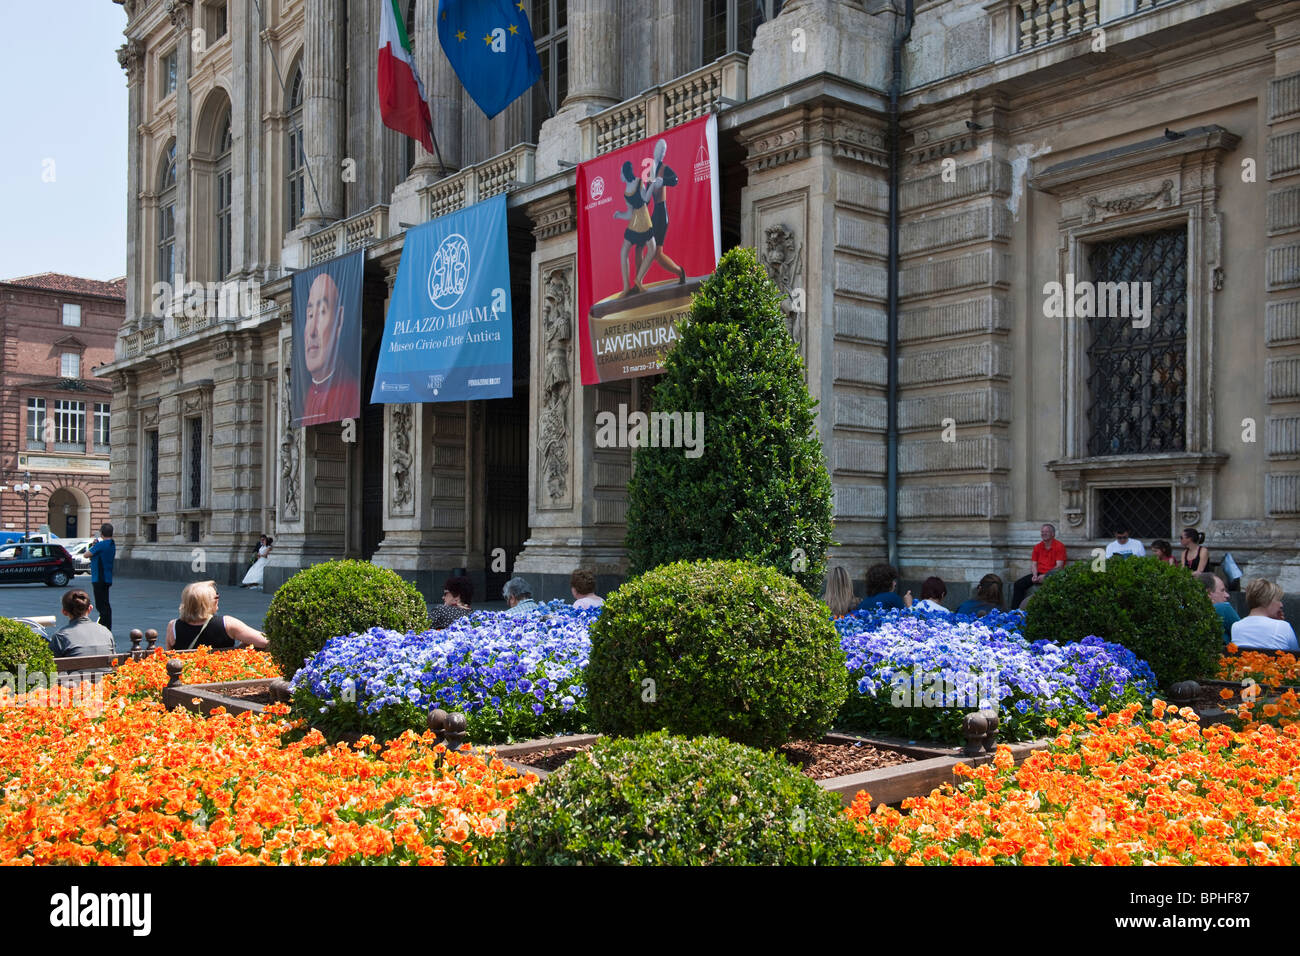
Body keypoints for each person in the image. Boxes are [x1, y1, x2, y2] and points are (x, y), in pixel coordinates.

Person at [300, 271, 359, 426]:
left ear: (339, 320)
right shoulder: (303, 395)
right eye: (310, 315)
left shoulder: (351, 390)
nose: (312, 331)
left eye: (322, 312)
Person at [165, 580, 268, 650]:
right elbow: (265, 642)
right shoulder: (227, 624)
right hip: (221, 680)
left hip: (187, 680)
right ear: (207, 603)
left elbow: (168, 658)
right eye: (216, 597)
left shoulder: (173, 626)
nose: (218, 599)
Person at [613, 160, 657, 296]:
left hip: (638, 221)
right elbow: (643, 200)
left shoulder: (630, 189)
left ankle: (629, 285)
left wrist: (652, 184)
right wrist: (619, 214)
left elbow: (633, 210)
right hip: (642, 219)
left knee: (625, 251)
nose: (620, 175)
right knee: (652, 249)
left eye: (621, 172)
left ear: (625, 173)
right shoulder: (633, 186)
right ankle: (636, 281)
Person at [647, 138, 686, 284]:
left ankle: (680, 272)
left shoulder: (664, 168)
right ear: (655, 150)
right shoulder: (651, 170)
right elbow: (646, 196)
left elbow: (675, 180)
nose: (662, 153)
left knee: (657, 253)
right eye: (660, 150)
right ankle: (679, 272)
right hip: (653, 214)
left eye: (664, 151)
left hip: (661, 214)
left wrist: (663, 181)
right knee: (653, 251)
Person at [1230, 578, 1299, 651]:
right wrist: (1279, 624)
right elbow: (1296, 655)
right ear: (1267, 600)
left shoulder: (1236, 626)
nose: (1281, 605)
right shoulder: (1283, 627)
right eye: (1278, 600)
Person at [1011, 523, 1067, 609]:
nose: (1043, 533)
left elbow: (1059, 566)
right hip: (1039, 573)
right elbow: (1034, 564)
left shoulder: (1059, 546)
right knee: (1018, 585)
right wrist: (1035, 575)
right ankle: (1014, 612)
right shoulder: (1038, 547)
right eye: (1042, 531)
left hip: (1053, 574)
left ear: (1053, 534)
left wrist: (1045, 576)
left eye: (1046, 531)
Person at [48, 589, 115, 658]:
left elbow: (52, 665)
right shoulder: (106, 632)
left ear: (64, 612)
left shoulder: (60, 636)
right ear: (90, 608)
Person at [87, 523, 115, 633]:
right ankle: (106, 625)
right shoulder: (111, 544)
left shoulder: (101, 545)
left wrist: (94, 545)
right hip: (107, 578)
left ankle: (104, 626)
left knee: (101, 605)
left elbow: (86, 554)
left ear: (101, 533)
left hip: (99, 578)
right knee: (105, 604)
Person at [1198, 572, 1239, 644]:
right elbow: (1244, 633)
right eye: (1222, 590)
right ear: (1208, 593)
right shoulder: (1223, 608)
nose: (1227, 595)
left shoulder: (1184, 612)